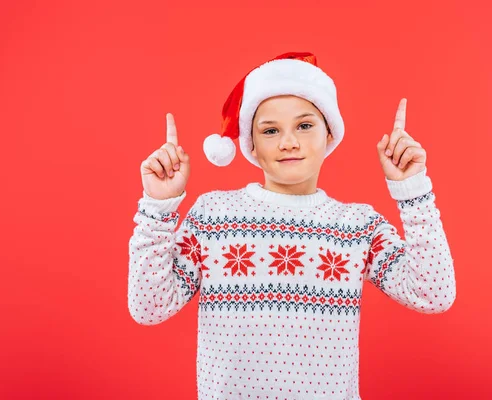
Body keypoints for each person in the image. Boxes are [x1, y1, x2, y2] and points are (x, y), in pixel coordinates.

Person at [128, 51, 456, 400]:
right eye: (270, 130)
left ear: (330, 133)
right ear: (250, 143)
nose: (288, 141)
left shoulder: (359, 227)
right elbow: (148, 307)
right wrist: (158, 207)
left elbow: (433, 294)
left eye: (304, 125)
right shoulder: (213, 216)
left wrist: (413, 191)